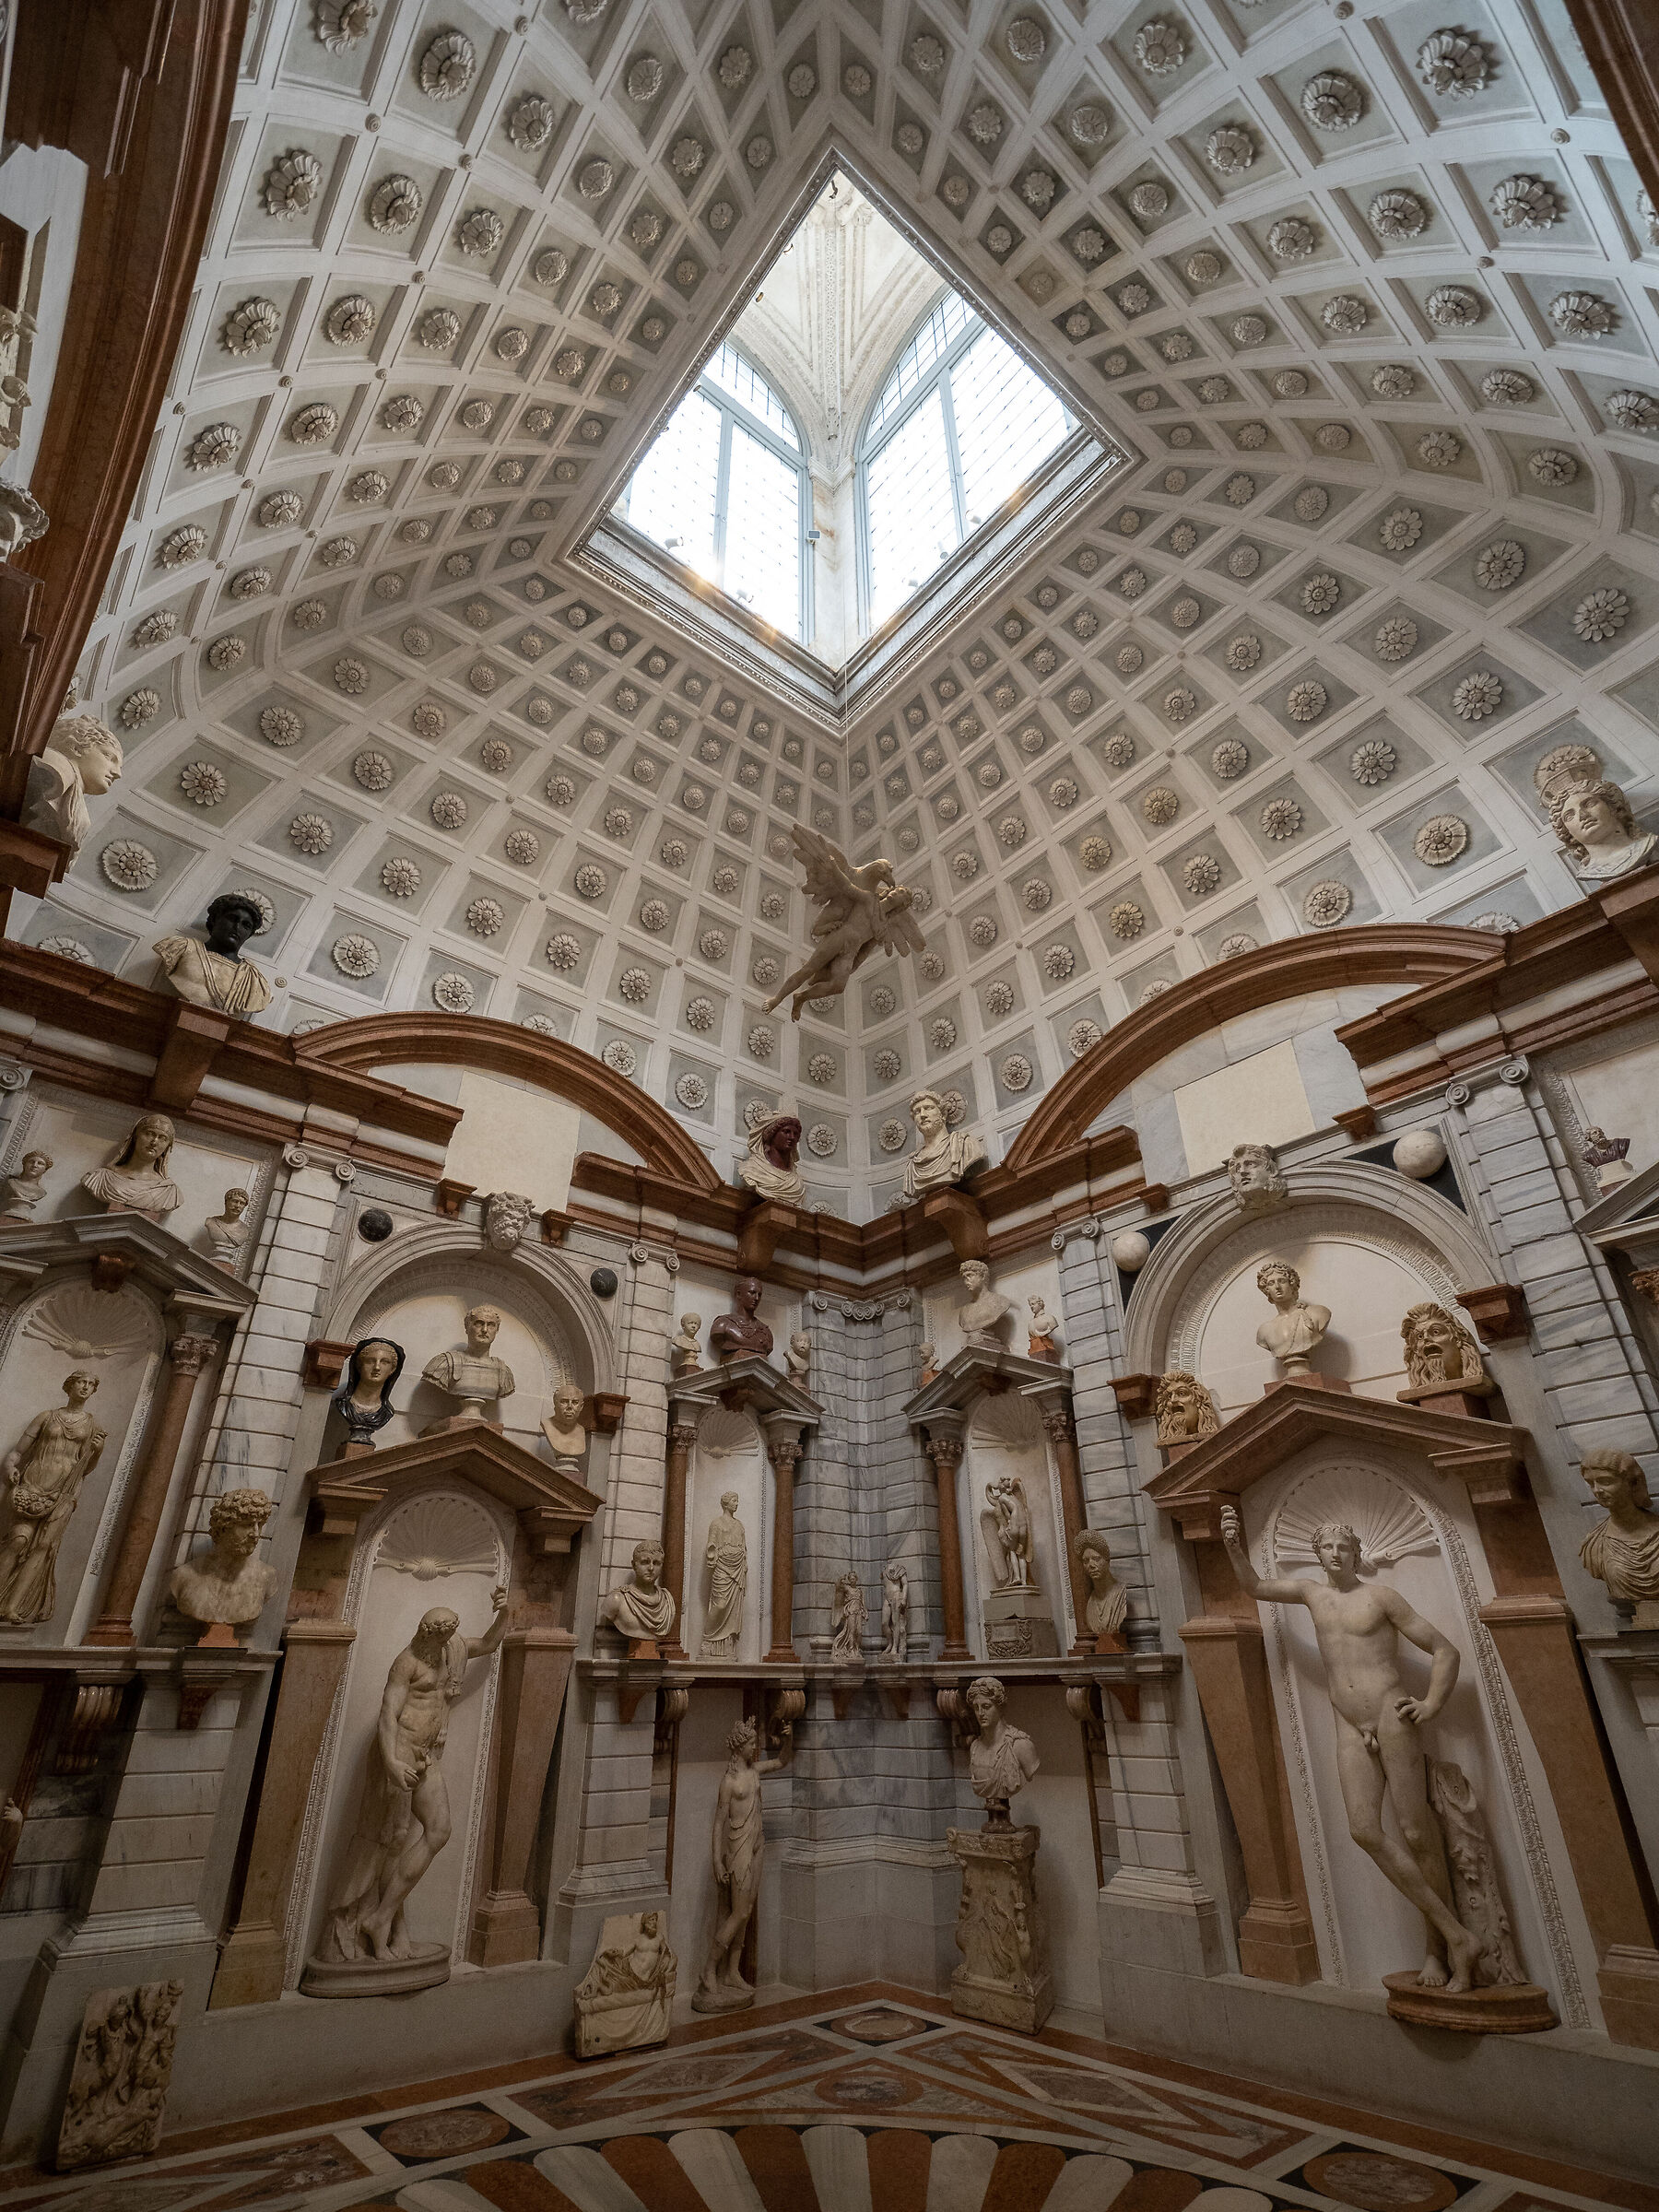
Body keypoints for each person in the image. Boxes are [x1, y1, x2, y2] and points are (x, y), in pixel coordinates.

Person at [1218, 1505, 1481, 1992]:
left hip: (1390, 1713)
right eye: (1327, 1547)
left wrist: (1431, 1704)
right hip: (1348, 1722)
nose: (1336, 1553)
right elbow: (1255, 1587)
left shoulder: (1381, 1597)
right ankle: (1458, 1933)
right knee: (1364, 1830)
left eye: (1344, 1546)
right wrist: (1234, 1547)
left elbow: (1445, 1649)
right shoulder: (1311, 1594)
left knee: (1416, 1834)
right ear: (1317, 1555)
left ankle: (1437, 1950)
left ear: (1357, 1554)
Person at [318, 1586, 510, 1963]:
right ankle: (384, 1929)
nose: (433, 1638)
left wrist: (504, 1612)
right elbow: (388, 1713)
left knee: (439, 1831)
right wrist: (390, 1760)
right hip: (400, 1752)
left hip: (427, 1755)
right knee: (393, 1839)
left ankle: (381, 1918)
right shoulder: (406, 1662)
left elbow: (488, 1643)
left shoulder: (453, 1650)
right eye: (429, 1631)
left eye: (440, 1632)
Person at [695, 1714, 792, 2008]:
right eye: (751, 1744)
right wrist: (716, 1860)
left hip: (757, 1845)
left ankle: (732, 1972)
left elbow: (782, 1762)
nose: (755, 1748)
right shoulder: (729, 1782)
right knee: (736, 1913)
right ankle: (709, 1969)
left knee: (747, 1911)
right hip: (737, 1849)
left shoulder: (755, 1771)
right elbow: (717, 1824)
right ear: (738, 1747)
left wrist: (789, 1738)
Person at [0, 1372, 106, 1623]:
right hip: (32, 1485)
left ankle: (12, 1607)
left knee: (43, 1546)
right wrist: (9, 1466)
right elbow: (17, 1452)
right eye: (82, 1382)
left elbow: (85, 1468)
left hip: (64, 1492)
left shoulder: (92, 1424)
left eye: (91, 1385)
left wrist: (97, 1452)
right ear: (69, 1386)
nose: (86, 1387)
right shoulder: (47, 1417)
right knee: (18, 1539)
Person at [152, 894, 273, 1019]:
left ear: (249, 934)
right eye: (232, 919)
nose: (237, 927)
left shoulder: (253, 978)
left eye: (246, 925)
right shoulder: (181, 948)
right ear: (214, 920)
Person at [80, 1113, 181, 1224]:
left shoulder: (168, 1191)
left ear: (167, 1146)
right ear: (135, 1136)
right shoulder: (100, 1178)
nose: (154, 1142)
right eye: (150, 1134)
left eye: (162, 1138)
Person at [900, 1088, 985, 1202]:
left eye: (928, 1108)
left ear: (943, 1114)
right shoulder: (913, 1166)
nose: (922, 1115)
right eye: (917, 1111)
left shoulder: (965, 1145)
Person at [331, 1338, 405, 1452]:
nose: (377, 1367)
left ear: (392, 1369)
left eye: (385, 1362)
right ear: (359, 1366)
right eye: (370, 1361)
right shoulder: (344, 1405)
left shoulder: (385, 1413)